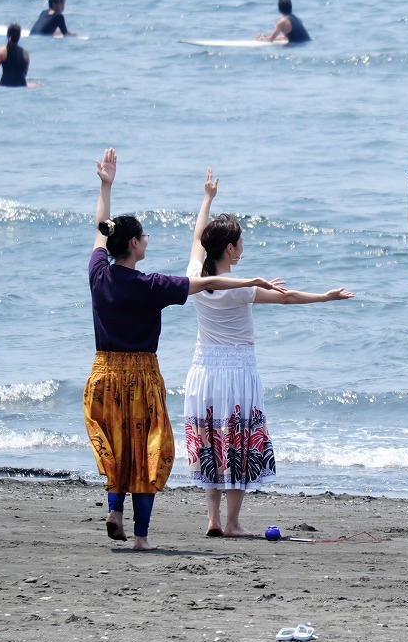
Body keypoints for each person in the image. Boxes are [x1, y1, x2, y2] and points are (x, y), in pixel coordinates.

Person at [85, 149, 284, 551]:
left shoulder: (98, 273)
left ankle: (114, 510)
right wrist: (252, 282)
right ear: (135, 244)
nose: (148, 241)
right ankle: (140, 538)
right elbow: (205, 284)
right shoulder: (151, 285)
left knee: (117, 450)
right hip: (140, 376)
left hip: (103, 375)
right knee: (149, 453)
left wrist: (105, 185)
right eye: (144, 237)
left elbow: (99, 234)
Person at [185, 169, 354, 538]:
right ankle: (231, 523)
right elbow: (288, 297)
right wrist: (325, 297)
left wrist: (207, 198)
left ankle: (213, 519)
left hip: (202, 371)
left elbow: (198, 238)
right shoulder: (240, 289)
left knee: (213, 440)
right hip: (237, 372)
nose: (244, 244)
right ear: (230, 249)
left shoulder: (195, 275)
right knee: (237, 440)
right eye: (240, 240)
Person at [0, 23, 29, 87]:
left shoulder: (1, 51)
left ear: (7, 35)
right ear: (19, 36)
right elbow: (25, 73)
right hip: (22, 85)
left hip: (5, 84)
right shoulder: (26, 53)